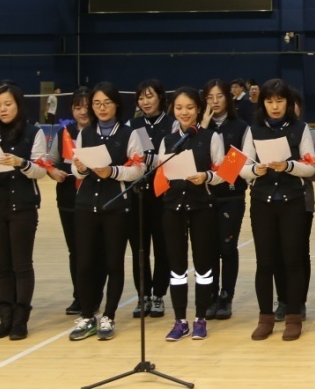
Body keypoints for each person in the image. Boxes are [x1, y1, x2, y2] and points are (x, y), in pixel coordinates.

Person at [68, 82, 148, 342]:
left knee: (114, 262)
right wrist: (80, 168)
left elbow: (138, 170)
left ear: (116, 105)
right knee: (85, 263)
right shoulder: (85, 133)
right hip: (85, 206)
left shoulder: (129, 133)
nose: (101, 108)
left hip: (116, 206)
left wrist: (112, 171)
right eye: (97, 103)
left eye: (107, 103)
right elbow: (75, 170)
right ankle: (87, 314)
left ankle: (109, 315)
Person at [0, 84, 48, 341]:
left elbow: (41, 170)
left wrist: (21, 163)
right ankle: (5, 318)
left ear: (19, 105)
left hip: (22, 206)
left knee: (21, 265)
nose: (3, 109)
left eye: (8, 104)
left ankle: (20, 320)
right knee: (0, 265)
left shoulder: (33, 132)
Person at [242, 78, 315, 342]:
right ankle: (265, 318)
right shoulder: (253, 130)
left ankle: (294, 317)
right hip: (262, 202)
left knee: (293, 260)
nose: (275, 106)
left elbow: (311, 167)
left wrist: (289, 166)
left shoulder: (300, 129)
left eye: (280, 101)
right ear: (262, 103)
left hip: (292, 202)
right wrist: (255, 169)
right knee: (265, 262)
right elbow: (242, 168)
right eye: (270, 101)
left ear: (288, 102)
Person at [156, 87, 225, 342]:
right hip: (173, 208)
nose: (184, 112)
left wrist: (206, 176)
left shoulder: (211, 137)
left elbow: (222, 173)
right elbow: (161, 172)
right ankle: (180, 321)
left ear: (199, 110)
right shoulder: (168, 140)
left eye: (189, 107)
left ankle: (200, 318)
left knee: (204, 266)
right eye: (179, 108)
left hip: (202, 207)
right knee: (177, 267)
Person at [126, 79, 174, 320]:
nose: (145, 102)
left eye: (150, 96)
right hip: (138, 196)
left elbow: (169, 158)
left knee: (163, 247)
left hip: (163, 195)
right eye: (141, 97)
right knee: (139, 248)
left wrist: (151, 159)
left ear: (161, 97)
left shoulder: (172, 123)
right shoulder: (132, 125)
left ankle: (159, 295)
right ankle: (143, 295)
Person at [204, 78, 249, 320]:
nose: (215, 101)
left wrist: (219, 174)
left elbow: (241, 161)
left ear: (228, 98)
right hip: (204, 198)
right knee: (209, 249)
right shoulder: (200, 127)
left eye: (219, 96)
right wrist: (202, 127)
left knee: (227, 248)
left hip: (232, 196)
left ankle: (226, 296)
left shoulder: (240, 127)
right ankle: (210, 295)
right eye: (209, 97)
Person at [50, 87, 94, 315]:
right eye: (78, 107)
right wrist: (53, 172)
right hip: (68, 201)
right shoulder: (63, 134)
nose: (83, 112)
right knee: (75, 251)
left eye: (86, 106)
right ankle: (79, 296)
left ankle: (94, 295)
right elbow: (51, 163)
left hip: (95, 200)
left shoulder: (100, 132)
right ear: (72, 110)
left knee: (94, 251)